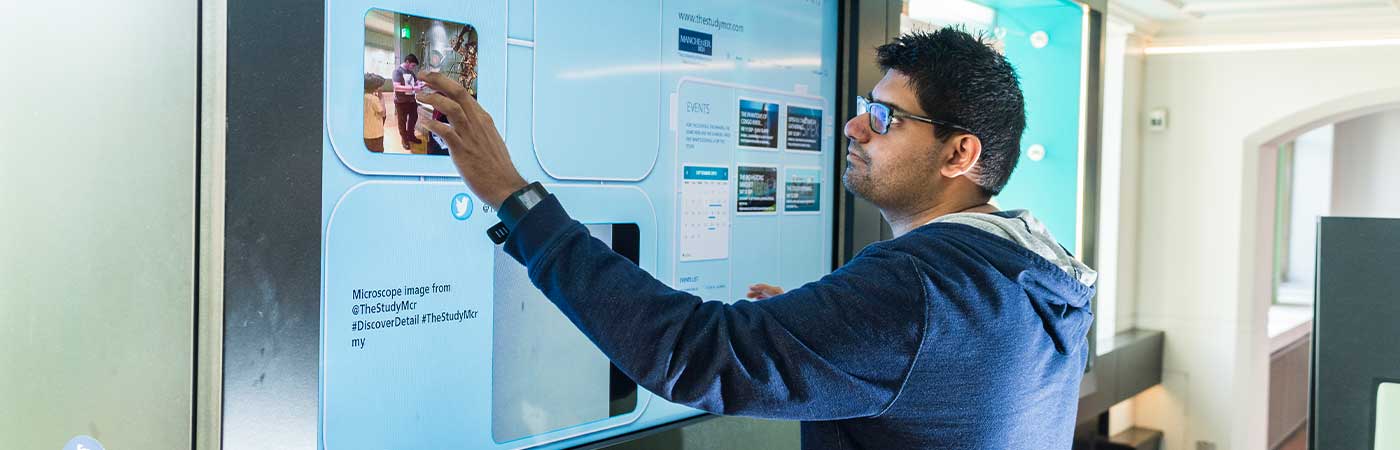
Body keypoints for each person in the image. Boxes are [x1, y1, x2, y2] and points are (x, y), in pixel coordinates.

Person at [417, 27, 1096, 449]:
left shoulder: (923, 288)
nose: (854, 129)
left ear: (959, 154)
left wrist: (515, 198)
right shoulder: (1019, 278)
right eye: (864, 109)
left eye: (885, 118)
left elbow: (691, 353)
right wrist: (824, 332)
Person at [391, 54, 425, 150]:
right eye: (413, 65)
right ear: (407, 62)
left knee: (414, 118)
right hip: (401, 101)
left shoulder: (411, 73)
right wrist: (414, 87)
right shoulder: (397, 72)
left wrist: (422, 84)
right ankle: (404, 139)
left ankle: (411, 135)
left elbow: (416, 82)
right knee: (402, 121)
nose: (413, 68)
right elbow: (397, 87)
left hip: (411, 100)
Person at [363, 73, 387, 153]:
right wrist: (381, 98)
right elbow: (383, 113)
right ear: (376, 87)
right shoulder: (374, 99)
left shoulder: (363, 96)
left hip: (365, 133)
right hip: (375, 134)